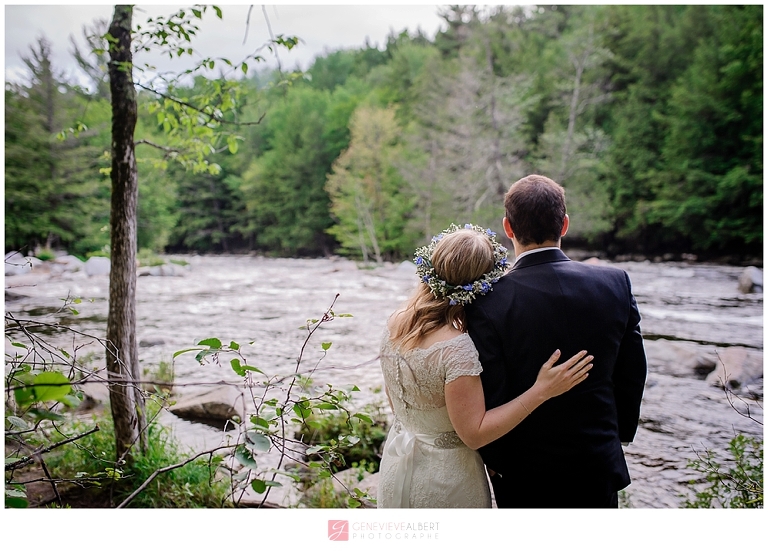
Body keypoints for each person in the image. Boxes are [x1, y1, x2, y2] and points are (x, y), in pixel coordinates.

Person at [376, 223, 593, 508]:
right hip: (446, 478)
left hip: (397, 463)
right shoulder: (455, 348)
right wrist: (541, 390)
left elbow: (396, 404)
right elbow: (475, 434)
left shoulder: (396, 323)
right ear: (481, 286)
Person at [465, 174, 648, 508]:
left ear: (508, 228)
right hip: (597, 463)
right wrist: (615, 437)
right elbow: (632, 372)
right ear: (564, 224)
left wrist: (495, 459)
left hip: (522, 471)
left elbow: (492, 388)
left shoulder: (489, 301)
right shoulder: (615, 283)